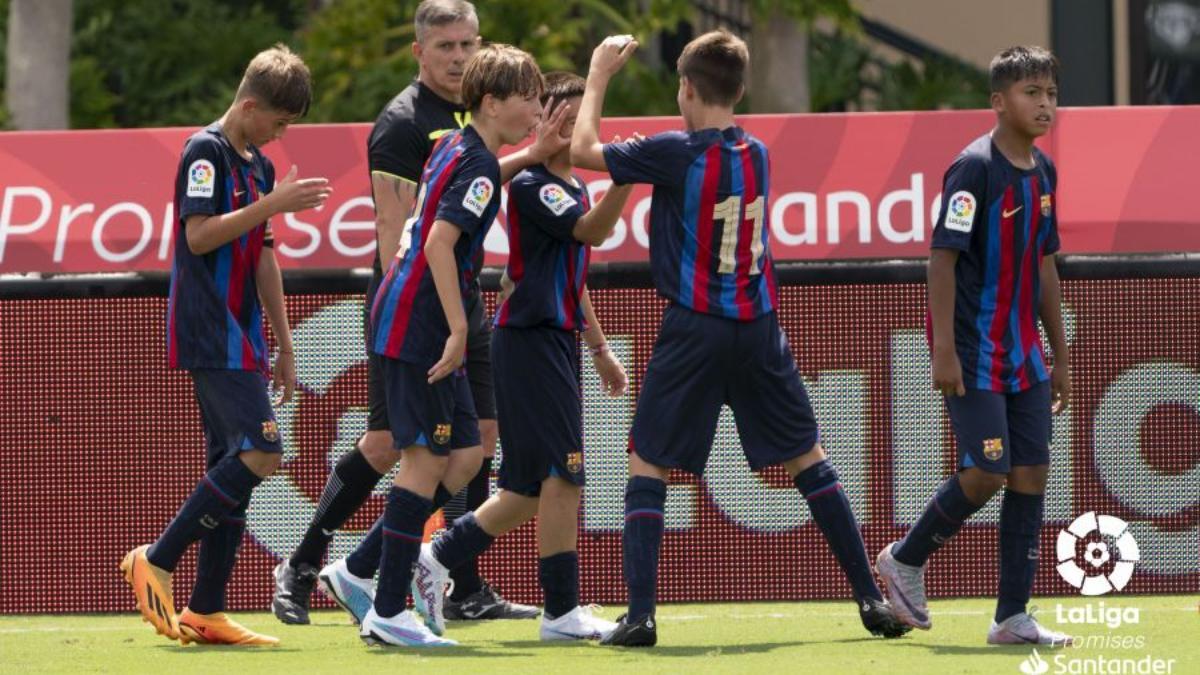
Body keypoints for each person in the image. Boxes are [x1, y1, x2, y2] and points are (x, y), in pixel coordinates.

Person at [570, 31, 911, 647]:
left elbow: (584, 148)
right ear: (742, 89)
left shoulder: (676, 152)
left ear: (687, 89)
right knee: (807, 456)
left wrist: (598, 75)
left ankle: (641, 615)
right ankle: (869, 597)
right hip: (758, 328)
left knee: (647, 461)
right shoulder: (757, 153)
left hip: (694, 328)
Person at [272, 0, 557, 625]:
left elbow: (468, 187)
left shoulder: (476, 121)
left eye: (468, 44)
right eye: (446, 47)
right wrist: (433, 315)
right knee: (387, 446)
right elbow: (399, 230)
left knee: (476, 444)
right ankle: (307, 563)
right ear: (419, 53)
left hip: (462, 300)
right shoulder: (403, 122)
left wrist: (531, 157)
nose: (459, 57)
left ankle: (462, 585)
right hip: (420, 310)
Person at [410, 71, 632, 643]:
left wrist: (600, 346)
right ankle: (561, 612)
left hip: (550, 340)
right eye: (566, 115)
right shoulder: (534, 184)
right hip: (530, 342)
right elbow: (590, 234)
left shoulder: (568, 183)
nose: (580, 128)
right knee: (567, 475)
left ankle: (435, 558)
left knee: (528, 489)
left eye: (585, 118)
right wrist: (628, 179)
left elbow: (572, 273)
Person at [121, 44, 331, 646]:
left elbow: (264, 255)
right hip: (207, 327)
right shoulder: (204, 151)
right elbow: (201, 235)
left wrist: (286, 344)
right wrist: (272, 204)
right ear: (248, 105)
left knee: (230, 464)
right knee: (263, 450)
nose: (282, 134)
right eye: (279, 122)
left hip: (243, 333)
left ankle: (205, 610)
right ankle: (155, 558)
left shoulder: (258, 164)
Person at [875, 45, 1072, 647]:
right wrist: (943, 349)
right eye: (1030, 93)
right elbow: (941, 259)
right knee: (988, 470)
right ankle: (905, 559)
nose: (1044, 105)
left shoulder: (1044, 173)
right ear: (997, 101)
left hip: (1025, 357)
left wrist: (1060, 355)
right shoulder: (972, 168)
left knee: (1031, 472)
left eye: (1050, 94)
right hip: (974, 353)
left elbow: (1044, 267)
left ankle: (1011, 616)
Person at [357, 43, 546, 648]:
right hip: (420, 323)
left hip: (413, 314)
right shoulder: (478, 165)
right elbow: (439, 243)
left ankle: (366, 569)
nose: (538, 109)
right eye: (529, 98)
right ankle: (388, 608)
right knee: (425, 462)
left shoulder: (455, 146)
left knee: (465, 456)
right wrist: (461, 329)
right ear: (492, 103)